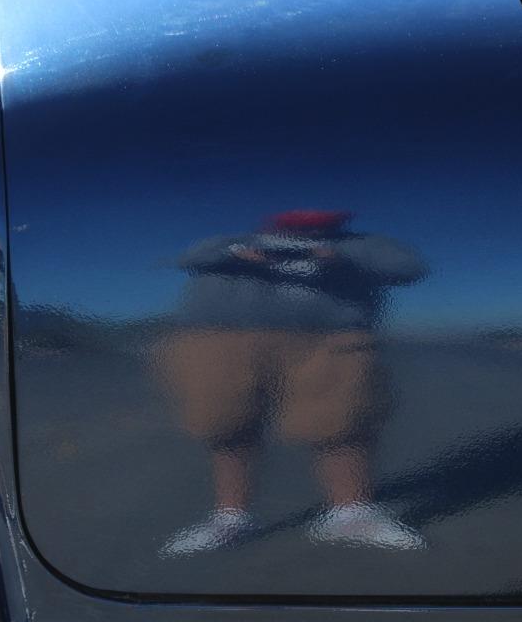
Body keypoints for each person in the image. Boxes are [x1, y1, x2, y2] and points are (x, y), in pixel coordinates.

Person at [158, 209, 426, 556]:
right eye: (298, 225)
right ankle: (230, 519)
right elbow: (189, 257)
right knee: (225, 423)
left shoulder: (360, 244)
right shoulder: (234, 240)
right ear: (273, 223)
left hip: (329, 338)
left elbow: (407, 267)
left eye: (318, 226)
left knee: (343, 423)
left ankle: (351, 515)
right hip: (222, 336)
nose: (308, 231)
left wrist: (337, 255)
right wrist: (238, 252)